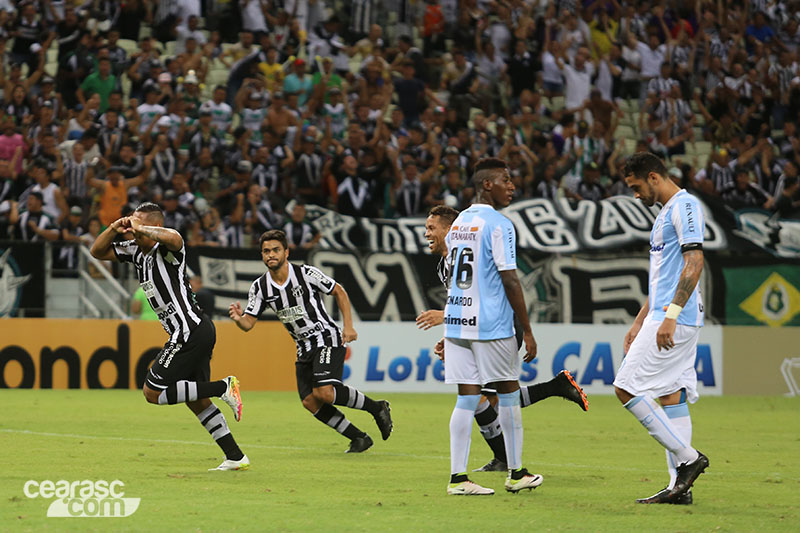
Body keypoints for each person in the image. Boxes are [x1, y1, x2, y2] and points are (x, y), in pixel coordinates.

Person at [417, 205, 588, 473]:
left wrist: (445, 317)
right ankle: (554, 389)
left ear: (451, 230)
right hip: (473, 329)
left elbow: (487, 293)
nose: (426, 233)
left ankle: (505, 461)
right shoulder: (445, 264)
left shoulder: (471, 253)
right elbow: (461, 301)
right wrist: (449, 334)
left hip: (498, 327)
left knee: (482, 399)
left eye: (431, 228)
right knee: (491, 398)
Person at [89, 202, 249, 471]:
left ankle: (224, 387)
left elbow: (176, 237)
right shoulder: (135, 251)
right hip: (193, 331)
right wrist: (114, 227)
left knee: (153, 392)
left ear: (154, 226)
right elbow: (97, 251)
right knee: (196, 401)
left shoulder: (166, 249)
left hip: (189, 331)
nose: (132, 228)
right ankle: (235, 456)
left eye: (138, 223)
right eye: (132, 222)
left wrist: (141, 227)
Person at [228, 229, 393, 453]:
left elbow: (339, 291)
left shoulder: (306, 273)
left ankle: (377, 408)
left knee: (324, 392)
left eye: (276, 250)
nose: (271, 255)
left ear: (286, 252)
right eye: (266, 251)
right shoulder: (260, 287)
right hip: (303, 347)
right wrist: (238, 319)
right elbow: (248, 324)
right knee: (310, 401)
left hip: (326, 337)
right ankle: (358, 437)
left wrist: (348, 326)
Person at [439, 158, 541, 496]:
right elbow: (510, 278)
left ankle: (458, 479)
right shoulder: (499, 224)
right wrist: (526, 329)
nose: (511, 186)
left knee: (466, 398)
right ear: (487, 185)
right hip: (489, 324)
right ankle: (516, 473)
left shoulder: (459, 223)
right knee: (509, 393)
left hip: (456, 320)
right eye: (505, 180)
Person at [614, 152, 710, 505]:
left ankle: (688, 459)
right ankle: (678, 488)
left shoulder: (684, 206)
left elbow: (694, 260)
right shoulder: (664, 215)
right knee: (670, 395)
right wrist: (641, 319)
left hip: (676, 316)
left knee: (625, 387)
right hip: (665, 313)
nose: (636, 195)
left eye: (636, 187)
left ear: (653, 177)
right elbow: (665, 276)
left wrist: (670, 314)